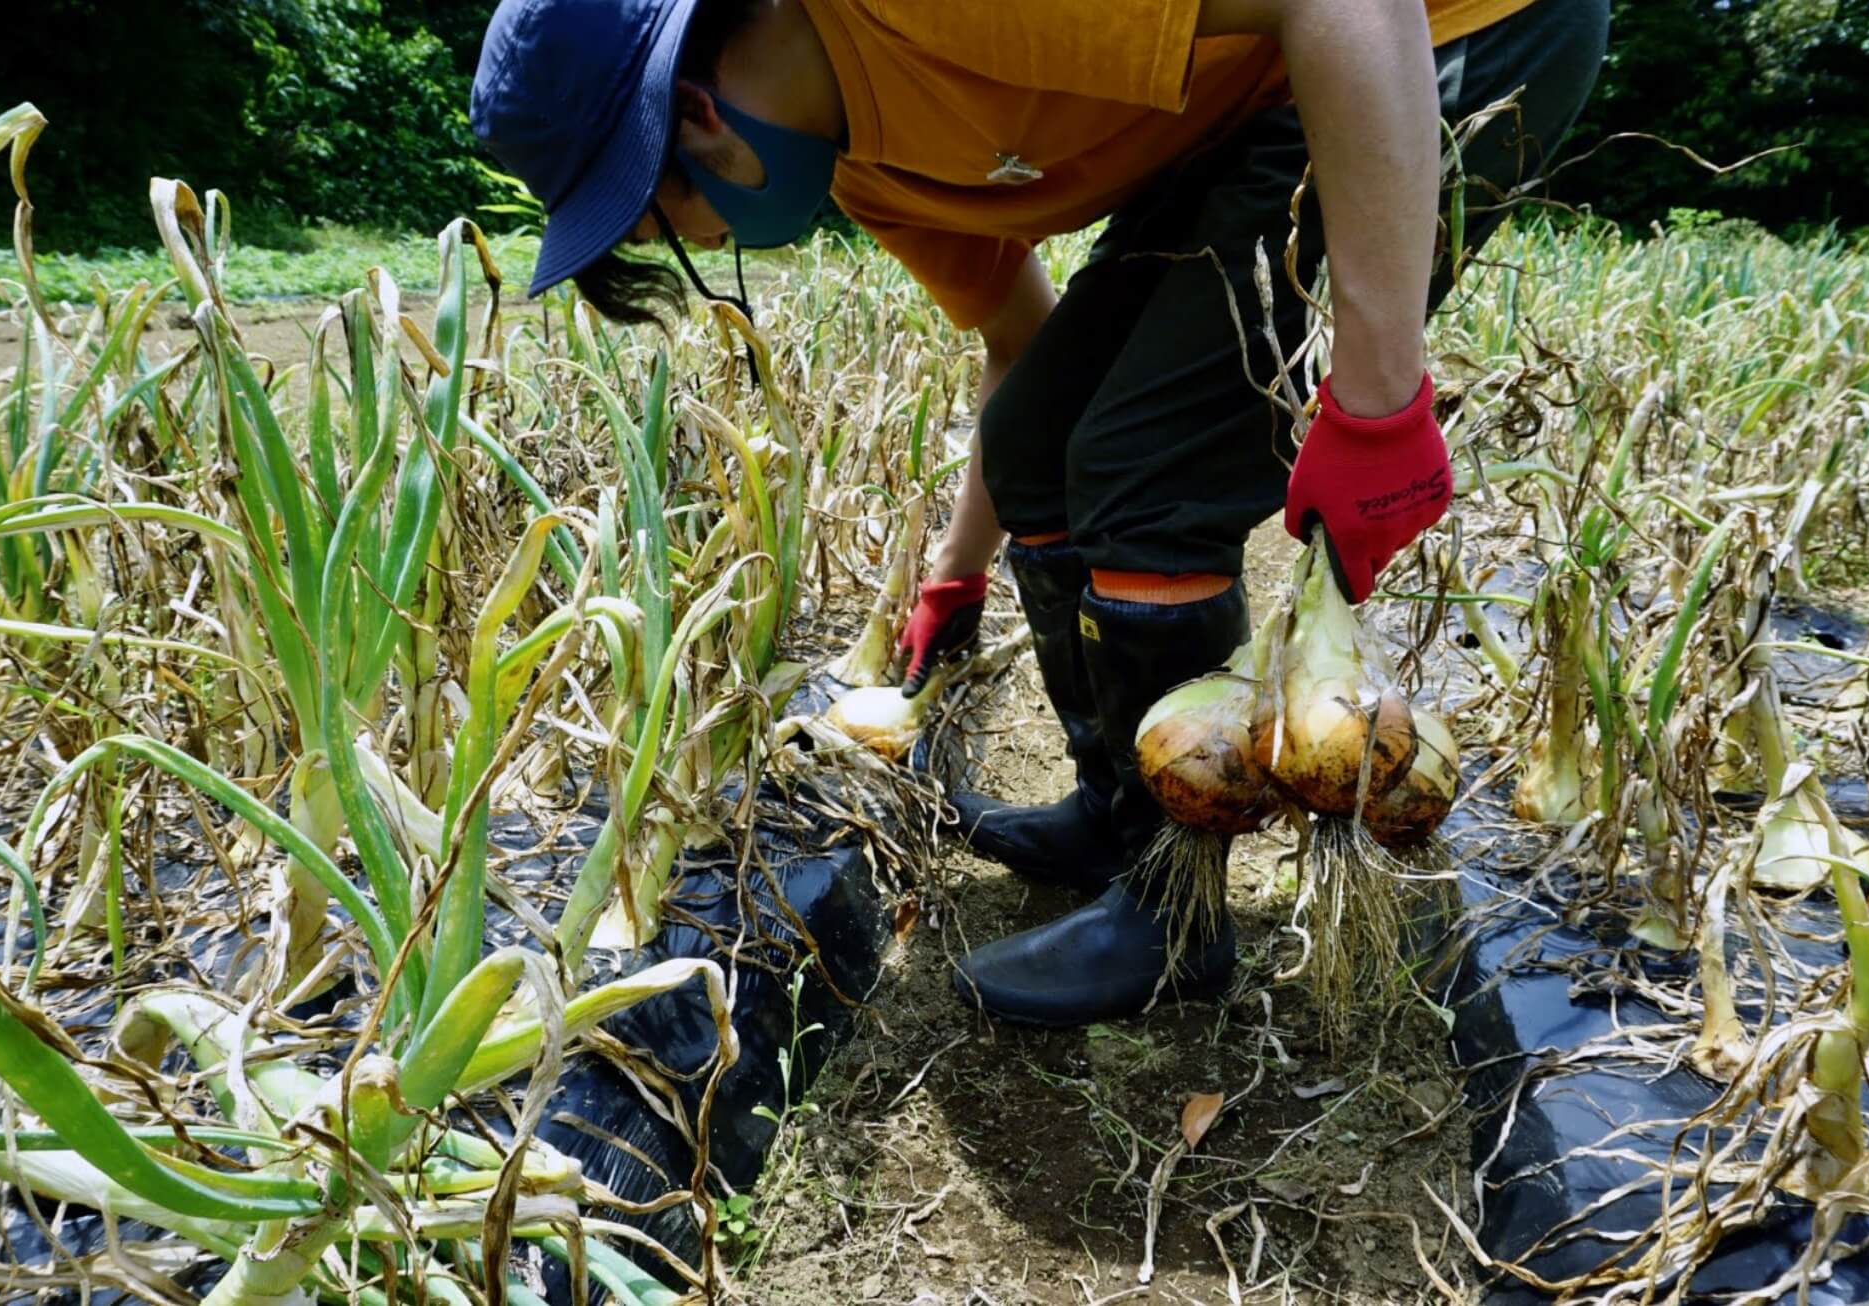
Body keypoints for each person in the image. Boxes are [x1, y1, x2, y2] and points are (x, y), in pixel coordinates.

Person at [473, 0, 1609, 1027]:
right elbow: (1018, 348)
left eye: (655, 214)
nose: (700, 244)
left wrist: (1376, 399)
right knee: (1038, 439)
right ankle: (1121, 812)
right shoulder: (874, 173)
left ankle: (1178, 918)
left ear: (699, 118)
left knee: (1146, 472)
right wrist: (953, 575)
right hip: (1278, 91)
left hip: (1444, 37)